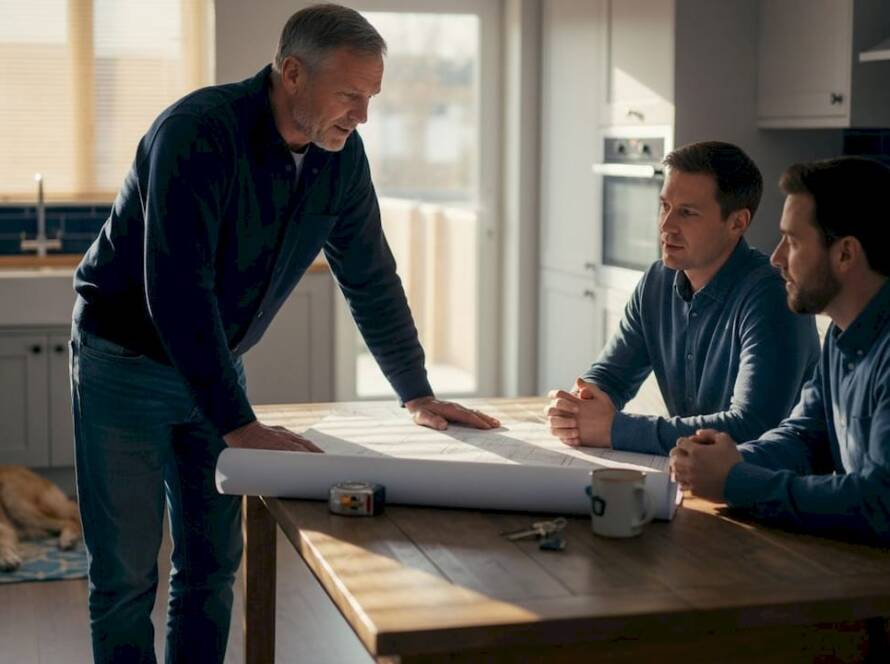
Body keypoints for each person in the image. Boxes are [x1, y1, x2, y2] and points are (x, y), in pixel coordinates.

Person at [69, 5, 498, 662]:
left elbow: (370, 275)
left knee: (211, 568)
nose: (362, 116)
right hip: (124, 363)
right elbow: (179, 291)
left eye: (371, 97)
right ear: (292, 74)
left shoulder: (340, 157)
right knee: (126, 577)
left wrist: (415, 390)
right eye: (350, 95)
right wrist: (239, 425)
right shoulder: (196, 134)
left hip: (216, 362)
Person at [547, 141, 819, 455]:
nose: (666, 226)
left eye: (687, 213)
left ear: (737, 223)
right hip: (693, 476)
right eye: (664, 206)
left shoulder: (772, 294)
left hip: (763, 491)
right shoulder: (657, 281)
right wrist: (577, 407)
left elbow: (752, 426)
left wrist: (614, 429)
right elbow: (610, 376)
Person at [670, 157, 890, 545]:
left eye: (792, 240)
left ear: (845, 254)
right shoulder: (842, 337)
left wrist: (737, 481)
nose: (776, 259)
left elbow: (880, 503)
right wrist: (724, 460)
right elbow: (806, 437)